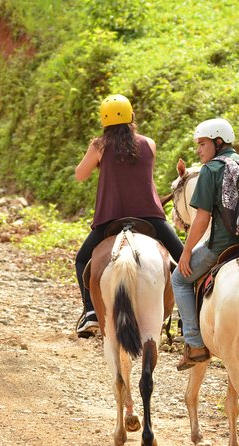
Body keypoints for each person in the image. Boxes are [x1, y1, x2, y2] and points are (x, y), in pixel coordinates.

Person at [173, 118, 239, 371]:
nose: (199, 150)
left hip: (222, 246)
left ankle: (195, 343)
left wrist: (186, 252)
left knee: (179, 279)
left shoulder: (211, 170)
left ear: (218, 141)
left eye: (202, 144)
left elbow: (201, 218)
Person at [74, 94, 183, 338]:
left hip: (111, 218)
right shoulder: (149, 144)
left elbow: (80, 175)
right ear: (132, 116)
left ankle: (90, 311)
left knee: (82, 260)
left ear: (104, 120)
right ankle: (188, 318)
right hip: (150, 218)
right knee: (185, 260)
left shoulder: (99, 146)